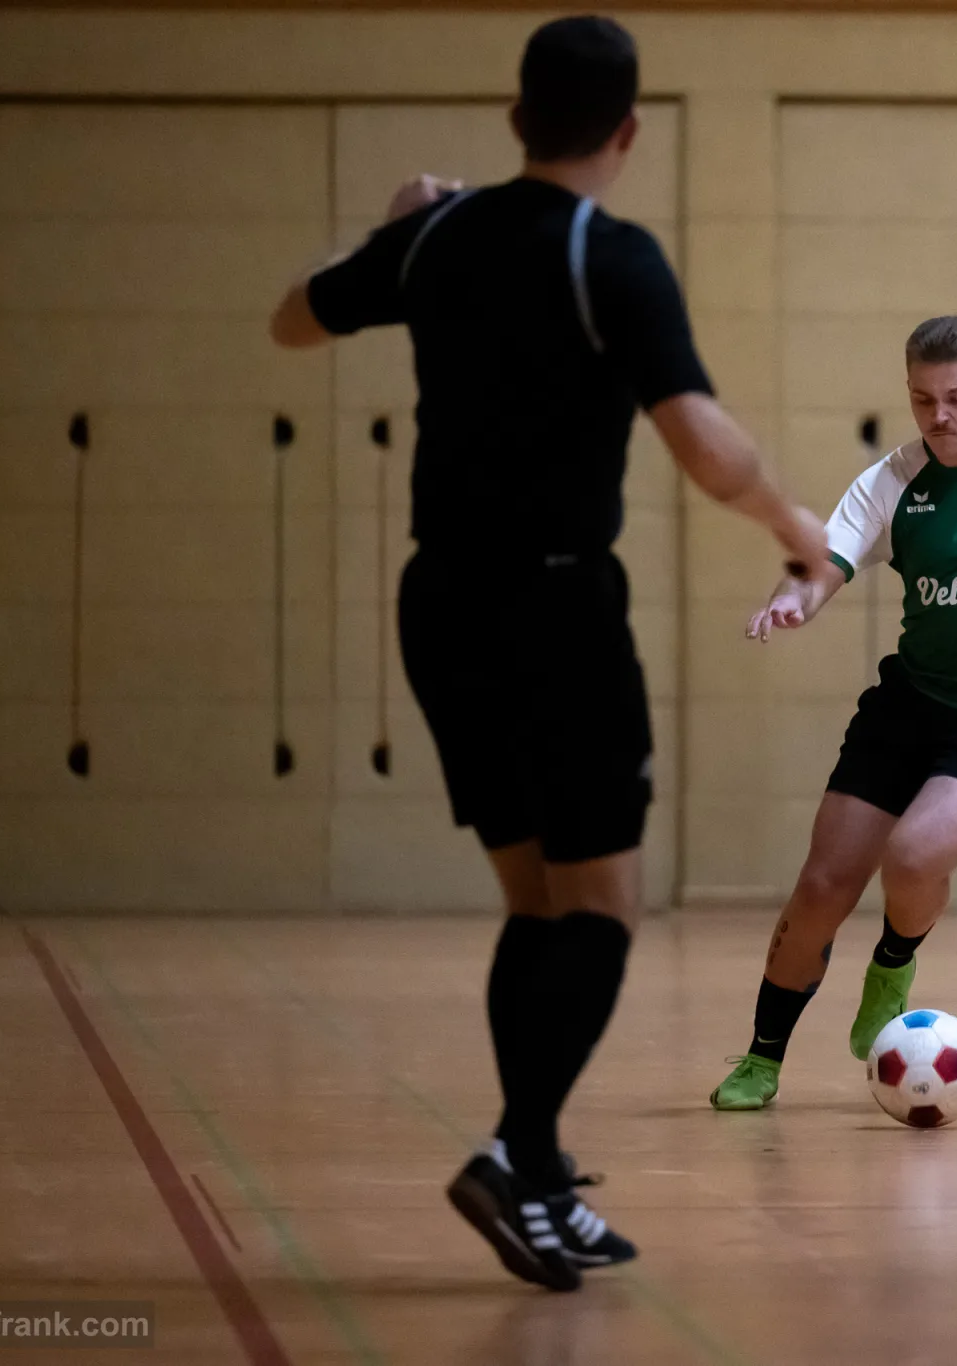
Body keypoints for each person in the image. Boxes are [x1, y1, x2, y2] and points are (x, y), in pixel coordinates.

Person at [267, 16, 825, 1289]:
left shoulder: (437, 236)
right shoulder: (608, 255)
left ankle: (540, 1176)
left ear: (517, 116)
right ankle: (515, 1154)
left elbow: (292, 321)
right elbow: (703, 443)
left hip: (438, 605)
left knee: (536, 902)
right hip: (555, 611)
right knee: (604, 912)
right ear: (626, 131)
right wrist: (795, 529)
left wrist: (383, 236)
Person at [708, 316, 957, 1111]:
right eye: (922, 399)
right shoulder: (894, 479)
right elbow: (822, 561)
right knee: (821, 886)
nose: (939, 415)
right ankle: (762, 1058)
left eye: (956, 397)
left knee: (911, 859)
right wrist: (794, 602)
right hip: (909, 705)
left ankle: (893, 961)